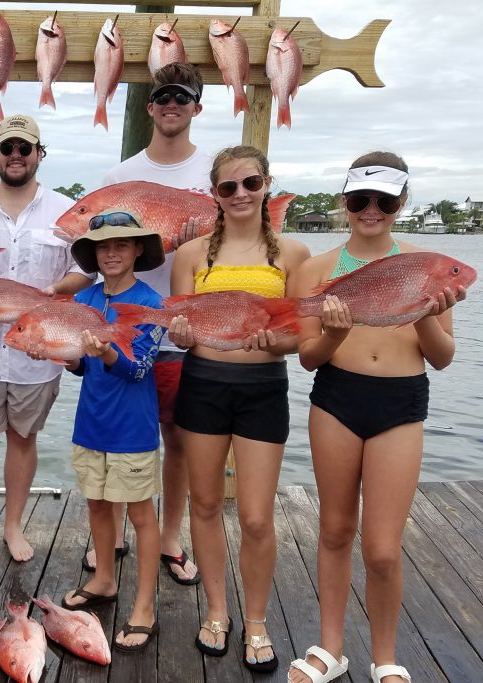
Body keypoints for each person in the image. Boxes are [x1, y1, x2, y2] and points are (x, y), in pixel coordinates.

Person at [288, 153, 467, 683]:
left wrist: (428, 315)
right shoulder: (315, 271)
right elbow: (307, 356)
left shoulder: (427, 266)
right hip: (337, 398)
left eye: (384, 201)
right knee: (336, 530)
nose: (371, 210)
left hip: (401, 404)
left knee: (384, 548)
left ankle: (386, 657)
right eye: (360, 200)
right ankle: (330, 647)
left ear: (402, 204)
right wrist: (336, 333)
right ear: (344, 202)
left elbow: (442, 357)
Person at [169, 145, 310, 671]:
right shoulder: (192, 255)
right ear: (215, 196)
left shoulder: (290, 256)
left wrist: (275, 340)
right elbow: (181, 332)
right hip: (203, 384)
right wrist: (180, 334)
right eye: (228, 188)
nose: (241, 194)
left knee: (254, 516)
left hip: (263, 389)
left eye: (250, 183)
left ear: (266, 184)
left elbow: (301, 336)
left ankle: (256, 619)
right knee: (203, 505)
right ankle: (216, 610)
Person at [0, 114, 92, 562]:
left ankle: (13, 525)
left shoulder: (67, 212)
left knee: (23, 439)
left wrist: (55, 293)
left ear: (38, 155)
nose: (15, 156)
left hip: (38, 350)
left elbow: (85, 269)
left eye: (24, 149)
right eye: (7, 148)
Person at [84, 61, 207, 585]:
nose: (172, 105)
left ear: (196, 107)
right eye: (163, 97)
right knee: (113, 434)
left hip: (182, 326)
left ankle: (171, 535)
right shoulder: (120, 175)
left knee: (175, 434)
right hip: (123, 328)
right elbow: (98, 249)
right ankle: (108, 540)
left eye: (182, 97)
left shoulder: (211, 176)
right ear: (150, 107)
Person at [59, 217, 166, 654]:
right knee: (98, 505)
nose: (112, 254)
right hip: (91, 423)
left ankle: (145, 607)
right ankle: (104, 578)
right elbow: (80, 365)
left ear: (138, 249)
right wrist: (68, 358)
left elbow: (140, 368)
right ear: (93, 255)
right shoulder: (83, 299)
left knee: (141, 516)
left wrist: (108, 352)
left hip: (132, 430)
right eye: (103, 248)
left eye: (122, 245)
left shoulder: (151, 304)